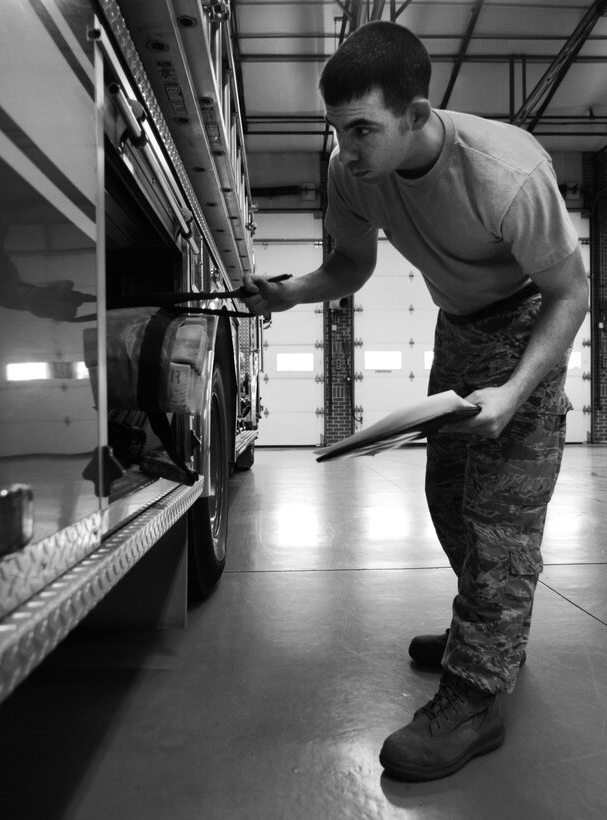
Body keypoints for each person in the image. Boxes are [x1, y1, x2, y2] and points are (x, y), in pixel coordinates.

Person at [241, 21, 589, 781]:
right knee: (447, 497)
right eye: (338, 131)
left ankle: (474, 698)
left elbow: (572, 292)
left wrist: (516, 390)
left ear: (418, 112)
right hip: (458, 328)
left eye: (363, 129)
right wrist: (289, 293)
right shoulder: (353, 171)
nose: (349, 149)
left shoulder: (506, 171)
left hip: (527, 321)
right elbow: (351, 265)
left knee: (500, 516)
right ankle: (488, 634)